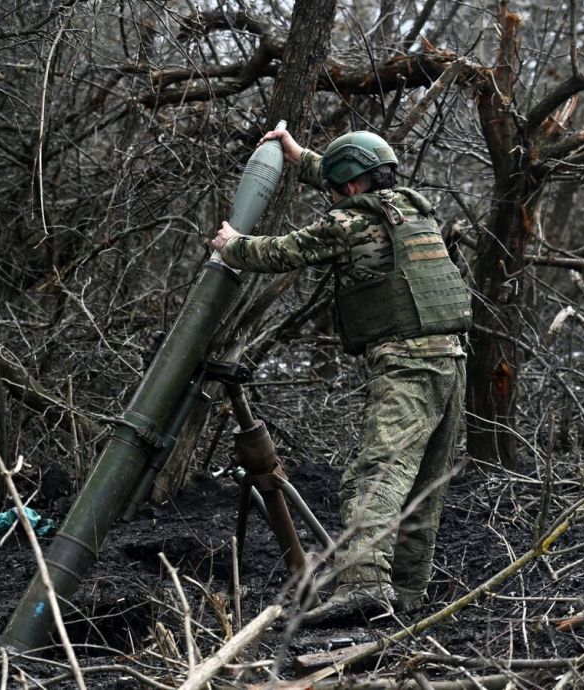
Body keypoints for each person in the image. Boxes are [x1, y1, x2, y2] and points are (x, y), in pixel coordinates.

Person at [211, 128, 470, 625]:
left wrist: (234, 244)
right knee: (422, 485)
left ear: (349, 187)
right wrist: (301, 157)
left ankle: (367, 588)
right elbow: (350, 184)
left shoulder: (348, 222)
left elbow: (283, 251)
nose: (332, 195)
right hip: (452, 359)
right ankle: (409, 595)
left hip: (407, 365)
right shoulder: (414, 208)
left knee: (375, 476)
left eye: (335, 185)